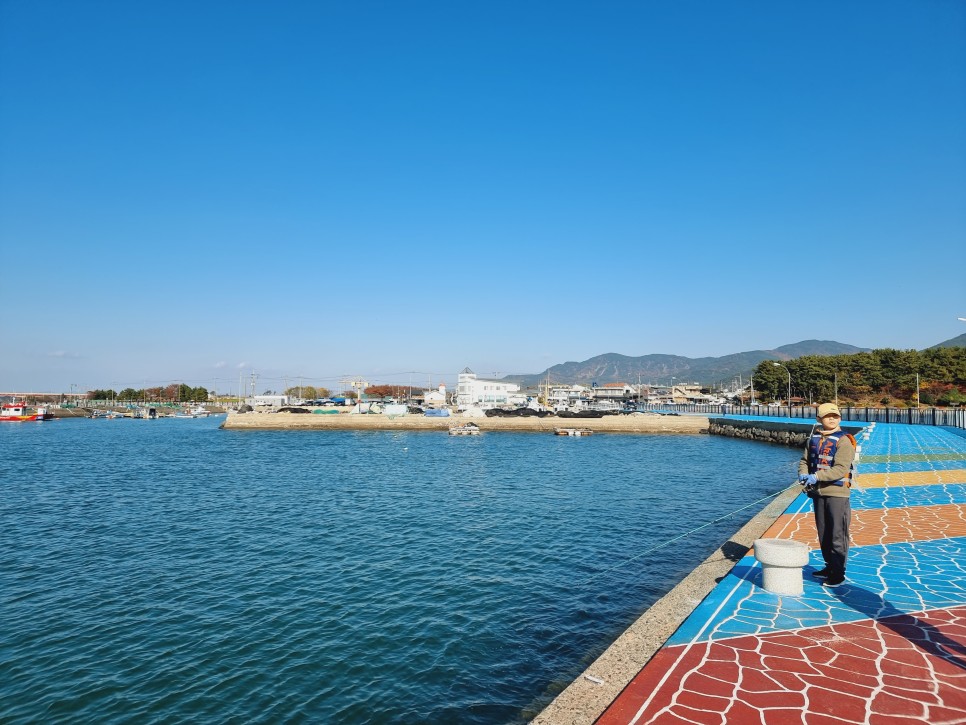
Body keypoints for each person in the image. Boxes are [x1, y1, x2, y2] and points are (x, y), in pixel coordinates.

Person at [798, 402, 856, 587]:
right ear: (819, 419)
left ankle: (838, 573)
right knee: (823, 532)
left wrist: (817, 476)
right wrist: (803, 474)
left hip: (837, 494)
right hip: (818, 493)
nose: (832, 418)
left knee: (837, 533)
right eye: (827, 416)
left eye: (835, 416)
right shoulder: (813, 438)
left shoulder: (844, 440)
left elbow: (840, 469)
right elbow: (805, 460)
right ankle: (829, 566)